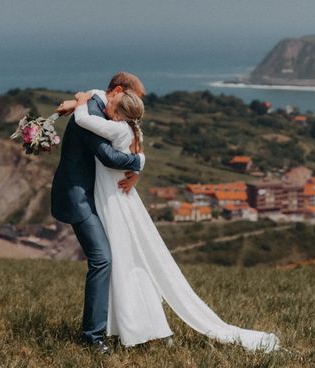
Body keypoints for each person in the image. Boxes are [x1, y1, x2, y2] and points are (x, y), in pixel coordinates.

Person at [60, 86, 280, 352]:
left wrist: (80, 103)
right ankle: (111, 329)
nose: (113, 113)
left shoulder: (109, 120)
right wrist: (79, 102)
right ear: (117, 92)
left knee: (121, 260)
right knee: (121, 260)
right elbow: (98, 99)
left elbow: (105, 149)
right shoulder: (115, 117)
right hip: (99, 197)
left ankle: (104, 332)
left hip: (112, 197)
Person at [50, 72, 146, 354]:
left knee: (115, 254)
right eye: (126, 101)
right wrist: (140, 161)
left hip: (99, 196)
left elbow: (98, 97)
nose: (124, 116)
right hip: (79, 196)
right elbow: (109, 157)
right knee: (102, 258)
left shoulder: (98, 102)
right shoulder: (91, 112)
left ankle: (115, 325)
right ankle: (92, 337)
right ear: (117, 91)